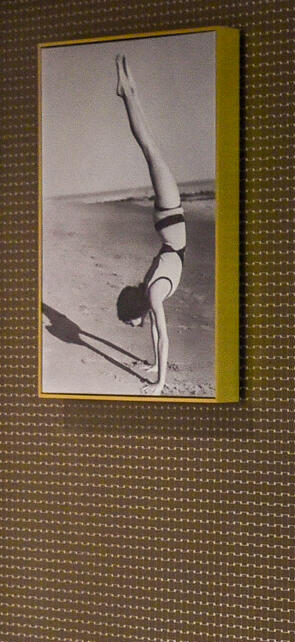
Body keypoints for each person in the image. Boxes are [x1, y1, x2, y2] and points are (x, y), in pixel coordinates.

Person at [112, 52, 184, 390]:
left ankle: (127, 92)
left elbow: (165, 337)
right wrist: (155, 364)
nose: (132, 327)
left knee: (149, 147)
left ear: (136, 310)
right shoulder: (149, 293)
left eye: (130, 323)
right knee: (149, 147)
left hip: (171, 219)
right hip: (166, 224)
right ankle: (131, 90)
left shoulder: (153, 295)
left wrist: (158, 384)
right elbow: (156, 332)